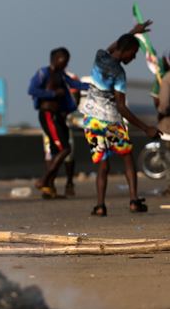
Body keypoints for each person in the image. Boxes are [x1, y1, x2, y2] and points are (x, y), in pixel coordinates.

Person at [82, 21, 161, 216]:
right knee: (127, 158)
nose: (133, 58)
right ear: (128, 51)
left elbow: (116, 46)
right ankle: (134, 200)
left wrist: (133, 33)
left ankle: (100, 206)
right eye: (133, 54)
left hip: (91, 119)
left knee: (102, 163)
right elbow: (121, 107)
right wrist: (146, 128)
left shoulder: (100, 56)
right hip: (110, 121)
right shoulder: (119, 74)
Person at [27, 47, 88, 199]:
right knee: (64, 149)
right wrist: (52, 94)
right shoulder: (43, 73)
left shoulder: (61, 75)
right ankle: (44, 180)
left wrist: (94, 86)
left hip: (58, 116)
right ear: (55, 59)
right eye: (63, 60)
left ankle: (49, 187)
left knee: (57, 151)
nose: (65, 64)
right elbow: (32, 90)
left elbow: (74, 84)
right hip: (48, 115)